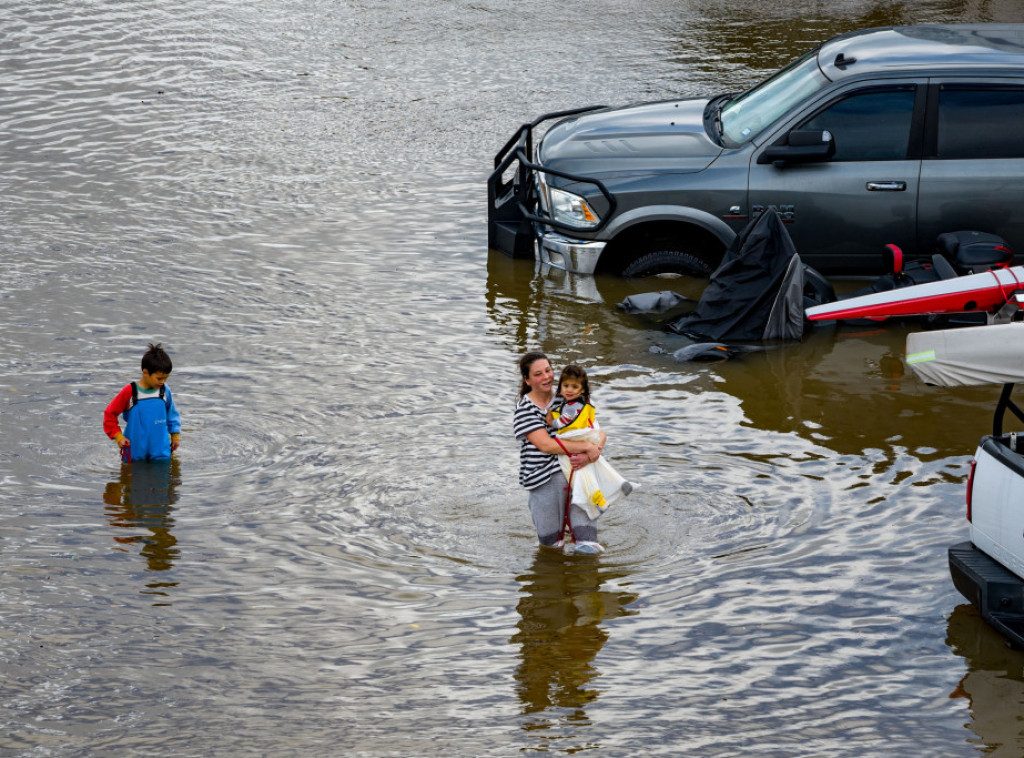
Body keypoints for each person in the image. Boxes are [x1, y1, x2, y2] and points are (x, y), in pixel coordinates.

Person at [514, 352, 606, 554]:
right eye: (538, 374)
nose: (547, 376)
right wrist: (585, 448)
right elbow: (546, 445)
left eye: (548, 370)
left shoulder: (568, 396)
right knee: (550, 546)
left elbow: (598, 432)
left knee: (587, 543)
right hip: (543, 478)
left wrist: (594, 452)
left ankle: (587, 583)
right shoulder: (524, 409)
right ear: (527, 380)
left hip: (579, 473)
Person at [547, 365, 633, 519]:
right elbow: (597, 428)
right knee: (598, 463)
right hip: (589, 437)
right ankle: (619, 482)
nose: (569, 390)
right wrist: (595, 447)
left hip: (575, 438)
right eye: (566, 386)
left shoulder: (570, 408)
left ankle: (595, 500)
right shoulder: (585, 403)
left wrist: (550, 421)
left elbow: (562, 423)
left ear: (582, 389)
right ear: (560, 387)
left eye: (574, 386)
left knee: (575, 471)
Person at [103, 343, 181, 462]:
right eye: (159, 378)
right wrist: (119, 437)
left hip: (160, 450)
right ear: (145, 373)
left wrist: (175, 436)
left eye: (166, 378)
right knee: (131, 479)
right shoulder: (130, 391)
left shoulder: (165, 391)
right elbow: (110, 414)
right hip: (134, 450)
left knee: (163, 479)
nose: (163, 382)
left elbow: (172, 415)